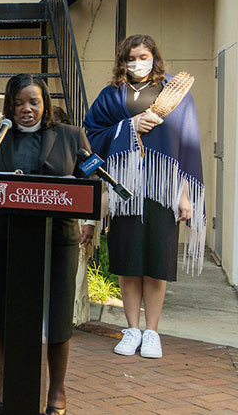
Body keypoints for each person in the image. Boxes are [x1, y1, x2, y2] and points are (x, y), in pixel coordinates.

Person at [0, 73, 95, 415]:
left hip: (57, 241)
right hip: (6, 239)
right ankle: (4, 381)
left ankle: (56, 390)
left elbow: (91, 182)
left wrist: (90, 219)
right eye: (19, 102)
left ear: (45, 103)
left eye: (34, 102)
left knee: (56, 314)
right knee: (4, 313)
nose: (26, 109)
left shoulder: (70, 136)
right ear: (9, 105)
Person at [83, 35, 205, 360]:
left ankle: (152, 332)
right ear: (122, 62)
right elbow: (91, 133)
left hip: (162, 191)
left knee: (156, 262)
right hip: (125, 190)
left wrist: (185, 195)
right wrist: (129, 125)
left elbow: (187, 145)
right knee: (129, 261)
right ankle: (132, 328)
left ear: (154, 57)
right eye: (131, 57)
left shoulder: (173, 94)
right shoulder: (112, 96)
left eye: (144, 55)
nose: (138, 62)